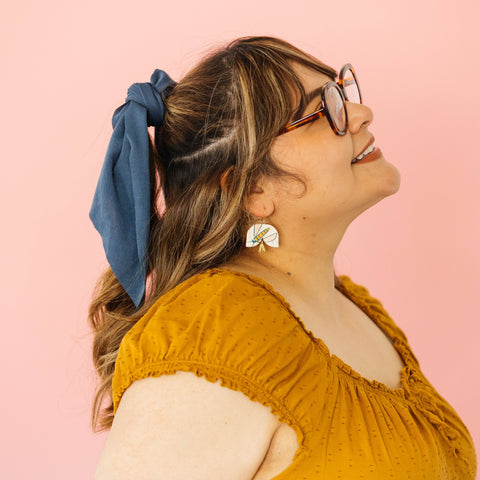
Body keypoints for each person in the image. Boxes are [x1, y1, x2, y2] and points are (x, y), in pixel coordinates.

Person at [88, 36, 477, 480]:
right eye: (323, 109)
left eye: (341, 91)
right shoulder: (214, 332)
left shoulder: (355, 306)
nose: (361, 113)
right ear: (252, 189)